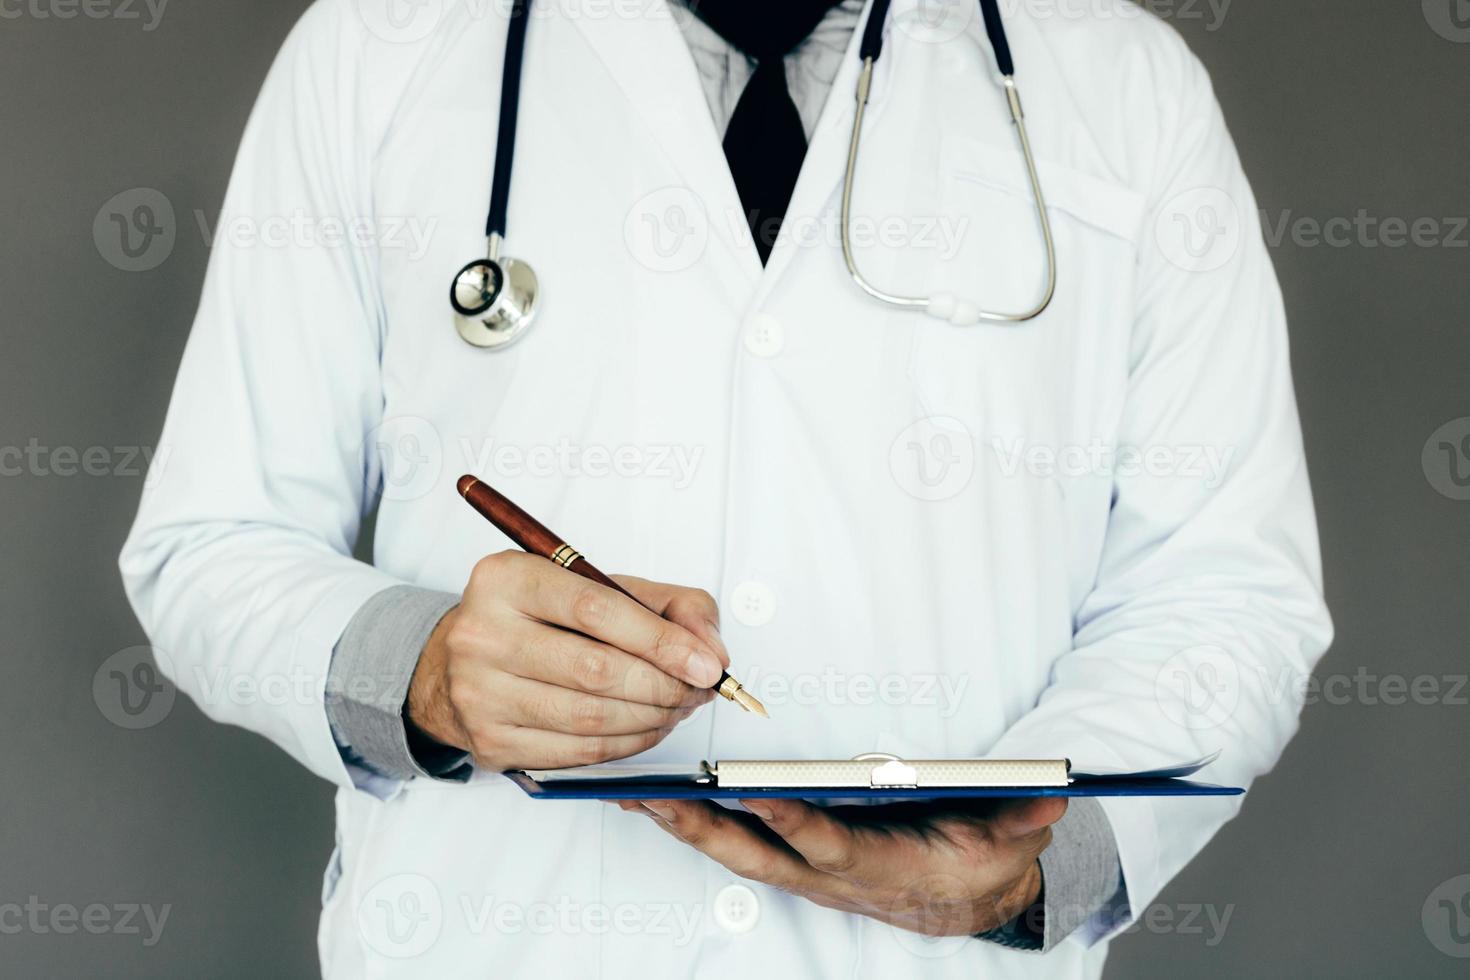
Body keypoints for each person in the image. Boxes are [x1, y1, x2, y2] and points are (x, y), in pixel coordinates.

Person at [119, 0, 1333, 976]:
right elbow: (211, 542)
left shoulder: (1127, 87)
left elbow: (1227, 595)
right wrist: (423, 666)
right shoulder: (378, 48)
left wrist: (1038, 869)